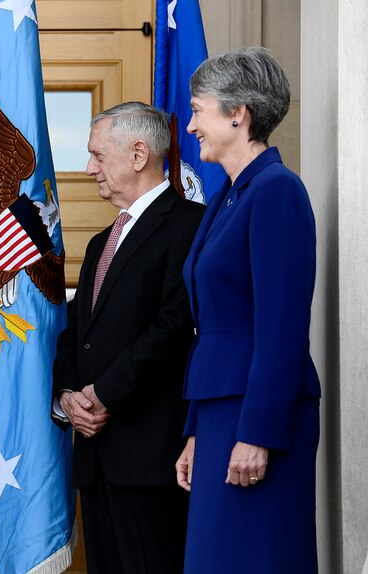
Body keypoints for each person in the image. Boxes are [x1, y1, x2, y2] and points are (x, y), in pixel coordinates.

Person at [174, 46, 320, 573]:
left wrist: (257, 432)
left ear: (239, 114)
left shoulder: (278, 191)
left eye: (198, 110)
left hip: (258, 418)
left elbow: (281, 329)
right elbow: (209, 327)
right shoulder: (227, 198)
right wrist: (195, 431)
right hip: (220, 415)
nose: (190, 126)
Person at [52, 101, 204, 574]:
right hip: (96, 461)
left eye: (98, 155)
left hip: (149, 461)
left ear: (139, 154)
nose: (88, 168)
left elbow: (173, 329)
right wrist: (68, 397)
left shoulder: (189, 227)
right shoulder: (101, 241)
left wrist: (104, 395)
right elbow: (75, 333)